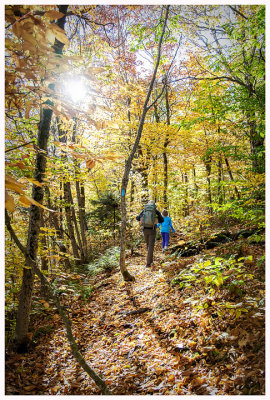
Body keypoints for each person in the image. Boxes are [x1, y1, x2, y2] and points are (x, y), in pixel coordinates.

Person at [136, 200, 164, 268]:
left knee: (148, 245)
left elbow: (137, 218)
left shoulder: (144, 210)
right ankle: (148, 263)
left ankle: (150, 260)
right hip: (152, 229)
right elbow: (162, 220)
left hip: (145, 229)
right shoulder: (155, 211)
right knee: (151, 246)